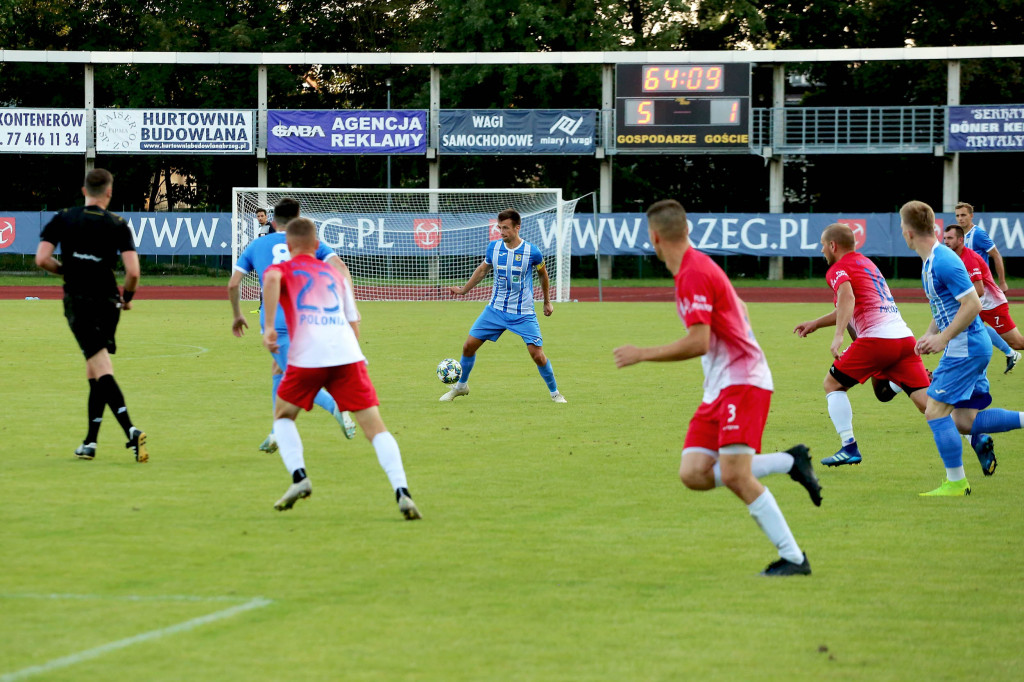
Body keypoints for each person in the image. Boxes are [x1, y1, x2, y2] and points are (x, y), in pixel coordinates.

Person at [613, 199, 820, 577]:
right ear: (686, 230)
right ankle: (791, 461)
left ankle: (793, 558)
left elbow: (699, 342)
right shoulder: (698, 266)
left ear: (655, 237)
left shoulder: (693, 272)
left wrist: (642, 353)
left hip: (743, 383)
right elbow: (738, 304)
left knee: (737, 475)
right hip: (721, 385)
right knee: (693, 472)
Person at [261, 218, 421, 518]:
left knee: (283, 416)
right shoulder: (336, 274)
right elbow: (354, 322)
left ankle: (299, 477)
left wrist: (269, 328)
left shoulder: (281, 269)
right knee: (376, 429)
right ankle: (402, 491)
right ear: (317, 246)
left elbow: (270, 281)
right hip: (347, 356)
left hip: (306, 357)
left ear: (287, 246)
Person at [900, 200, 1024, 496]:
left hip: (964, 346)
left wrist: (943, 339)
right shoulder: (931, 261)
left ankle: (956, 482)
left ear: (907, 232)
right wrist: (930, 333)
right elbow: (943, 306)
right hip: (967, 345)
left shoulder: (942, 260)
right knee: (965, 421)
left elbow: (973, 303)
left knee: (935, 411)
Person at [34, 168, 148, 462]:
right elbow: (133, 273)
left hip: (79, 301)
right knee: (94, 368)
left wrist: (65, 271)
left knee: (100, 365)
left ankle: (131, 430)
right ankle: (90, 442)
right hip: (109, 303)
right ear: (109, 193)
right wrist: (128, 298)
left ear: (84, 191)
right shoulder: (119, 224)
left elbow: (42, 259)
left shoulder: (64, 217)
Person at [793, 223, 931, 466]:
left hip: (877, 339)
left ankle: (849, 447)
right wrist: (816, 323)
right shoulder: (867, 264)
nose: (822, 250)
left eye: (823, 246)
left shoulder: (837, 268)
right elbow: (848, 307)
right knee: (927, 406)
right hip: (904, 339)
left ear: (833, 246)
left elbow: (847, 298)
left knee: (833, 384)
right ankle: (975, 436)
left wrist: (838, 336)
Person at [229, 197, 357, 451]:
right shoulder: (308, 242)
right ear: (299, 218)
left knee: (296, 377)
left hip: (277, 321)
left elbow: (233, 283)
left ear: (273, 221)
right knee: (278, 369)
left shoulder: (257, 245)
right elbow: (340, 267)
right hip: (310, 317)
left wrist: (237, 314)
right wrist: (347, 306)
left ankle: (337, 406)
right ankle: (278, 431)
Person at [440, 208, 566, 403]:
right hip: (495, 310)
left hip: (523, 313)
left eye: (505, 228)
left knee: (537, 355)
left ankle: (555, 393)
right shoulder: (494, 248)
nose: (501, 231)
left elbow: (543, 275)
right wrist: (464, 290)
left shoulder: (532, 251)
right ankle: (461, 386)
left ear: (517, 227)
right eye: (499, 227)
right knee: (468, 346)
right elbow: (482, 270)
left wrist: (547, 301)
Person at [955, 201, 1019, 373]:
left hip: (987, 296)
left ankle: (1011, 351)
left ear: (971, 216)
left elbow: (996, 255)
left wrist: (1003, 281)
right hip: (974, 295)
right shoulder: (960, 237)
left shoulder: (978, 234)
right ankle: (977, 371)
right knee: (971, 332)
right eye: (958, 215)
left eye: (963, 215)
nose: (960, 218)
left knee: (1017, 341)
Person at [944, 224, 1024, 358]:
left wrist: (957, 299)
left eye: (950, 238)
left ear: (960, 240)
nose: (946, 241)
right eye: (945, 238)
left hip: (992, 306)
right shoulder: (954, 257)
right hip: (976, 305)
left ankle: (1011, 352)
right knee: (959, 334)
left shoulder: (968, 258)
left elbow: (979, 290)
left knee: (1017, 343)